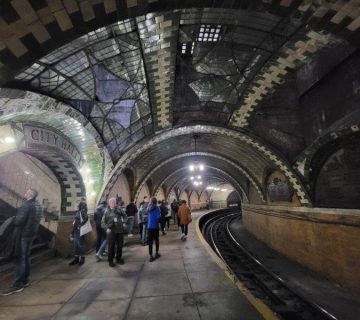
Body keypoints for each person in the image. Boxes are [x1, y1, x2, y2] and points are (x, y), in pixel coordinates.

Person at [1, 189, 43, 296]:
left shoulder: (27, 205)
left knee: (20, 258)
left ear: (29, 194)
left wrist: (13, 219)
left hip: (23, 235)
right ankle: (25, 281)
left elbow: (19, 221)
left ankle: (17, 284)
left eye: (27, 191)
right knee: (26, 257)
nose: (25, 192)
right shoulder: (38, 205)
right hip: (31, 234)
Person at [102, 198, 127, 267]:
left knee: (120, 245)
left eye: (114, 202)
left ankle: (118, 258)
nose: (114, 204)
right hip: (111, 232)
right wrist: (106, 228)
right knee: (111, 247)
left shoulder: (119, 209)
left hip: (119, 231)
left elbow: (125, 215)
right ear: (109, 203)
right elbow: (103, 222)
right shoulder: (107, 211)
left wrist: (124, 222)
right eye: (112, 202)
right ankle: (110, 260)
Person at [69, 197, 88, 266]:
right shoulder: (78, 212)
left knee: (80, 245)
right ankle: (76, 258)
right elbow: (75, 222)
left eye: (76, 204)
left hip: (80, 231)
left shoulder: (82, 211)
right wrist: (72, 232)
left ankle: (82, 258)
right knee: (76, 245)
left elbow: (86, 218)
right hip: (76, 231)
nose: (75, 206)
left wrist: (80, 225)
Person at [147, 197, 161, 262]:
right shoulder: (157, 208)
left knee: (150, 242)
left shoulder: (148, 207)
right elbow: (158, 217)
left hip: (149, 226)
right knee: (156, 240)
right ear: (156, 201)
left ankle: (150, 256)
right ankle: (156, 253)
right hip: (155, 226)